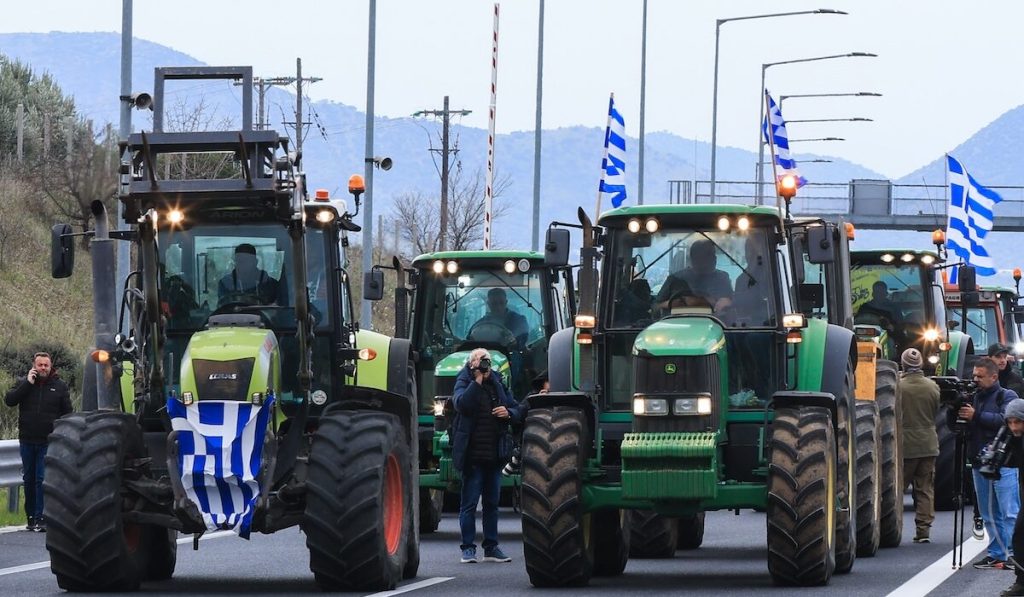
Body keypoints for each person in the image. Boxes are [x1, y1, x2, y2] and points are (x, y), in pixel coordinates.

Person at [451, 348, 522, 564]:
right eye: (479, 361)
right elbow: (462, 404)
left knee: (492, 504)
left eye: (486, 361)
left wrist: (508, 413)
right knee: (469, 504)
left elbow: (516, 407)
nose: (484, 365)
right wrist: (477, 381)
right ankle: (468, 549)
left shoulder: (497, 382)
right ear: (471, 363)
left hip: (494, 455)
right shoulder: (464, 381)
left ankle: (491, 547)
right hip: (473, 456)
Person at [960, 357, 1021, 569]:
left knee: (1009, 511)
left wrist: (976, 416)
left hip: (1003, 462)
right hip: (979, 462)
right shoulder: (972, 396)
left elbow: (1006, 421)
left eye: (980, 376)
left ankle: (1015, 555)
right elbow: (956, 427)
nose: (975, 379)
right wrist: (954, 409)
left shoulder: (1007, 396)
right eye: (974, 375)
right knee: (988, 513)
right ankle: (997, 553)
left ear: (994, 376)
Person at [4, 352, 72, 532]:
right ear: (34, 366)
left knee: (42, 479)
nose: (43, 368)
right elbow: (9, 400)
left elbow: (68, 413)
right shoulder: (24, 383)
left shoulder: (59, 386)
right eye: (40, 365)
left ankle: (42, 517)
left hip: (48, 441)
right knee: (28, 479)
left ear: (51, 367)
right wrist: (27, 383)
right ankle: (31, 517)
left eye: (46, 365)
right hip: (27, 439)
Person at [898, 348, 941, 543]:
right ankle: (923, 531)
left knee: (898, 490)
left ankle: (893, 529)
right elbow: (935, 411)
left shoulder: (898, 386)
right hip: (929, 444)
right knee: (925, 489)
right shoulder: (933, 387)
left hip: (906, 445)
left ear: (903, 365)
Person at [655, 240, 733, 312]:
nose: (703, 261)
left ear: (714, 259)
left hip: (716, 323)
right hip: (677, 323)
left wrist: (727, 302)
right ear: (692, 259)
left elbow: (737, 307)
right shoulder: (675, 279)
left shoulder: (722, 278)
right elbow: (654, 308)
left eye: (708, 256)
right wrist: (672, 304)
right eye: (700, 257)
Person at [998, 399, 1024, 596]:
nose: (1014, 427)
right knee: (1019, 536)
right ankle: (1021, 582)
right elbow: (1013, 462)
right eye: (1010, 422)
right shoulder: (1014, 437)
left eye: (1018, 422)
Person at [217, 243, 281, 307]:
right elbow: (223, 308)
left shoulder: (270, 284)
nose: (242, 265)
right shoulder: (225, 284)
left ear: (255, 262)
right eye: (239, 261)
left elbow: (278, 309)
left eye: (246, 261)